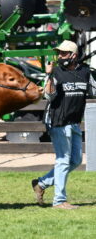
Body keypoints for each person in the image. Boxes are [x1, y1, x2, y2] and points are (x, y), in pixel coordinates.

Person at [32, 40, 96, 209]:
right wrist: (49, 75)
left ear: (74, 55)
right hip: (57, 121)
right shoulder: (56, 72)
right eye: (59, 53)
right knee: (63, 160)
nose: (60, 56)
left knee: (74, 160)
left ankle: (42, 183)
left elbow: (94, 91)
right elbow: (49, 96)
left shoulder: (85, 72)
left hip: (74, 122)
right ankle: (59, 200)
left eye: (63, 53)